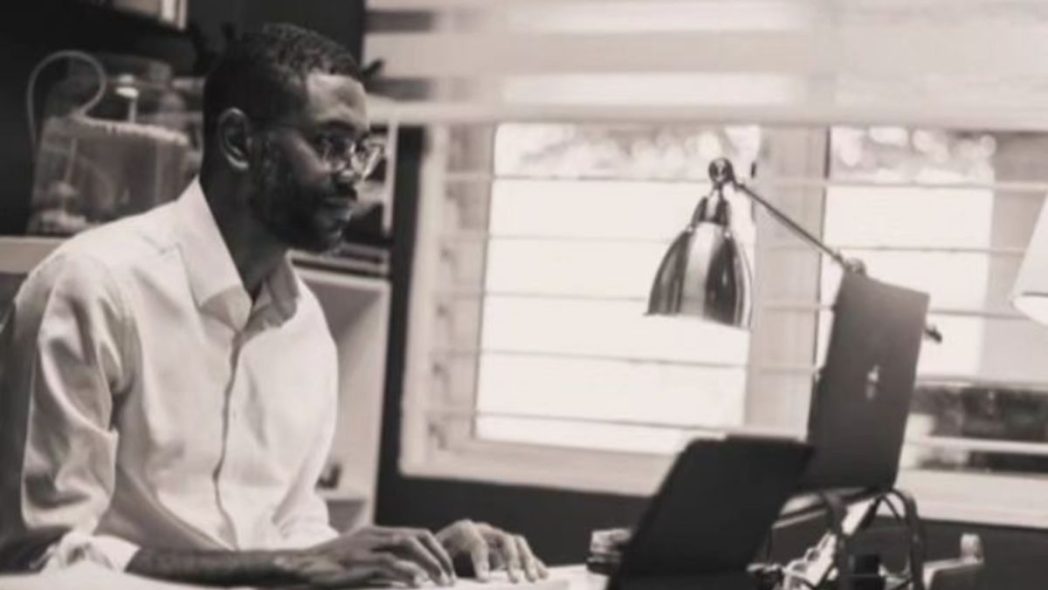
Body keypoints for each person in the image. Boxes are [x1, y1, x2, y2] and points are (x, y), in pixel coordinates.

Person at [0, 23, 546, 588]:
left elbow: (292, 537)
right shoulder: (93, 287)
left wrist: (418, 558)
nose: (354, 178)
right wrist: (284, 566)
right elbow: (41, 559)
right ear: (239, 141)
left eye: (362, 151)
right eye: (331, 145)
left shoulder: (306, 327)